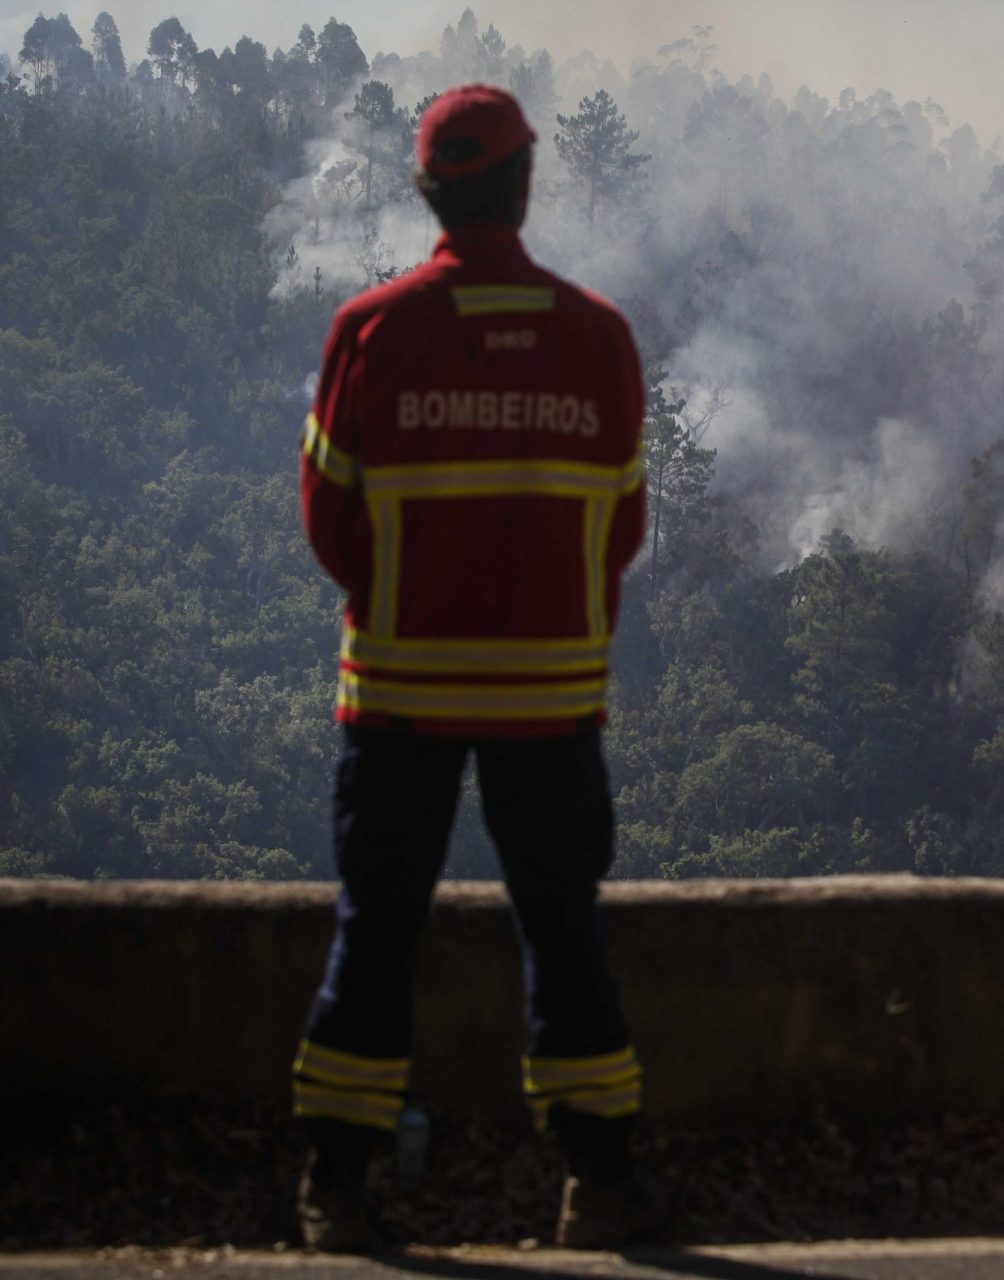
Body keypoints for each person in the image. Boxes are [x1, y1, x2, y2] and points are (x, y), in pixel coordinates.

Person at [291, 84, 663, 1253]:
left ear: (431, 189)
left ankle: (338, 1189)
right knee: (563, 930)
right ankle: (599, 1186)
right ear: (524, 182)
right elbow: (626, 522)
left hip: (397, 692)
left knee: (378, 928)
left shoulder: (372, 330)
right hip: (551, 703)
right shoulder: (597, 334)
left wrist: (408, 602)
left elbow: (328, 523)